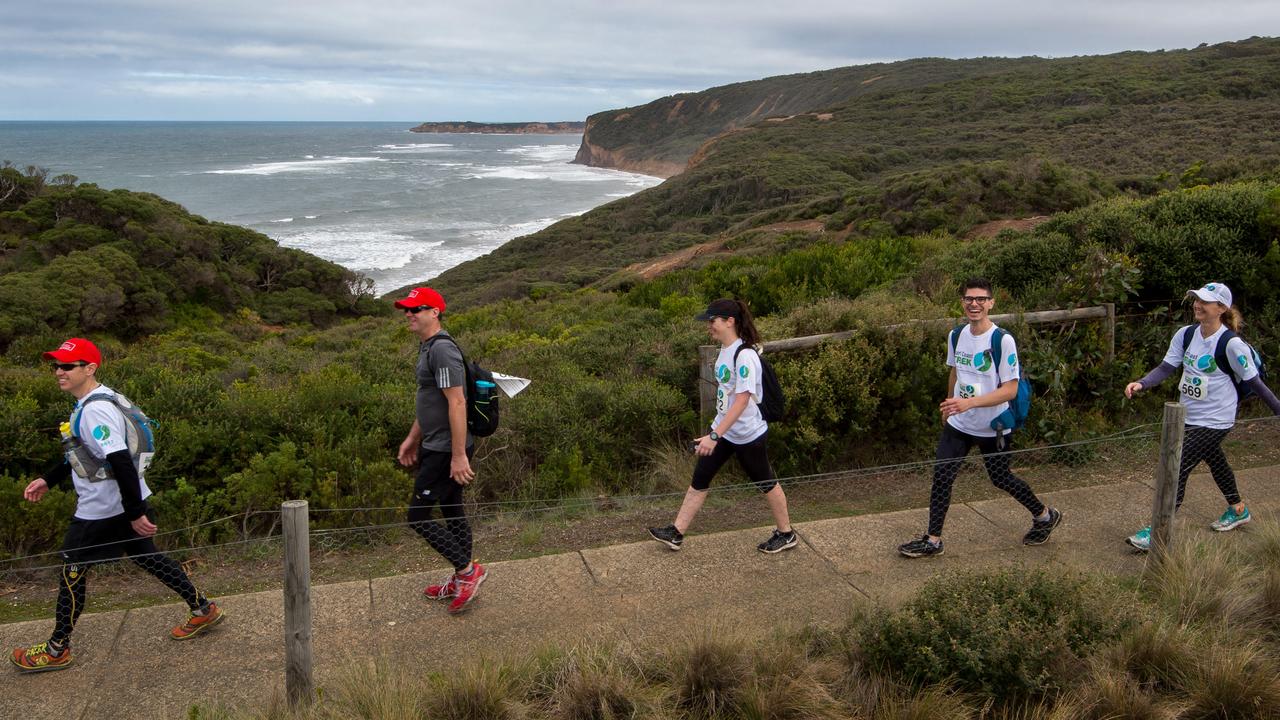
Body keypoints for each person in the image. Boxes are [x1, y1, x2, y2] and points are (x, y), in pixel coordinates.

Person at [11, 338, 223, 674]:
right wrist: (48, 479)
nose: (58, 372)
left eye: (68, 366)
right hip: (127, 499)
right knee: (147, 557)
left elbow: (120, 460)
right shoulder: (99, 398)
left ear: (90, 368)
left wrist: (134, 513)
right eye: (56, 365)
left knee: (71, 571)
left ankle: (56, 649)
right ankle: (203, 608)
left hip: (103, 509)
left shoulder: (95, 409)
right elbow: (83, 454)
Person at [898, 278, 1062, 558]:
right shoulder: (956, 335)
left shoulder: (1002, 340)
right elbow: (955, 371)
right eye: (969, 299)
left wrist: (968, 403)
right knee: (942, 477)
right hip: (959, 424)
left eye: (981, 299)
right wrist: (950, 404)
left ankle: (1045, 515)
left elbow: (1009, 390)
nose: (974, 304)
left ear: (991, 303)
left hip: (993, 426)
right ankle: (933, 540)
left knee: (1001, 478)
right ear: (962, 302)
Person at [1123, 282, 1280, 551]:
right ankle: (1238, 509)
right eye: (1196, 299)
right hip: (1188, 415)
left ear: (1221, 308)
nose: (1197, 304)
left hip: (1217, 419)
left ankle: (1158, 532)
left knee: (1178, 465)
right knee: (1216, 460)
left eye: (1205, 301)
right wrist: (1142, 383)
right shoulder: (1185, 335)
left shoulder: (1231, 344)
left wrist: (1278, 409)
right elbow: (1167, 366)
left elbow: (1254, 383)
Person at [648, 299, 798, 554]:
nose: (709, 326)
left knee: (765, 482)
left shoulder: (745, 356)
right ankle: (676, 532)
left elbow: (741, 401)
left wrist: (715, 435)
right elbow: (726, 398)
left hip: (748, 435)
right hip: (725, 431)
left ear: (730, 321)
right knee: (701, 476)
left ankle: (786, 534)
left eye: (712, 321)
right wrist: (712, 432)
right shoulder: (725, 350)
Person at [394, 287, 486, 613]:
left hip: (447, 450)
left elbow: (456, 402)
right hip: (436, 444)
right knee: (451, 508)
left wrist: (459, 455)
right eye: (406, 309)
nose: (409, 314)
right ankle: (462, 577)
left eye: (416, 309)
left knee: (417, 516)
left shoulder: (442, 350)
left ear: (435, 312)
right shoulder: (427, 347)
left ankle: (467, 571)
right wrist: (412, 437)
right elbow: (431, 402)